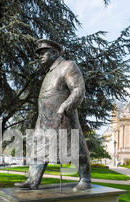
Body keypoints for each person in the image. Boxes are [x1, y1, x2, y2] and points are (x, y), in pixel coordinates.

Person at [14, 39, 91, 191]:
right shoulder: (49, 72)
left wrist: (65, 107)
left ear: (55, 53)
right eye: (39, 53)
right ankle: (33, 180)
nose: (40, 56)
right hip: (44, 120)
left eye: (43, 53)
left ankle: (85, 179)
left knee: (75, 149)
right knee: (38, 150)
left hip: (63, 117)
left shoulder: (67, 66)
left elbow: (78, 89)